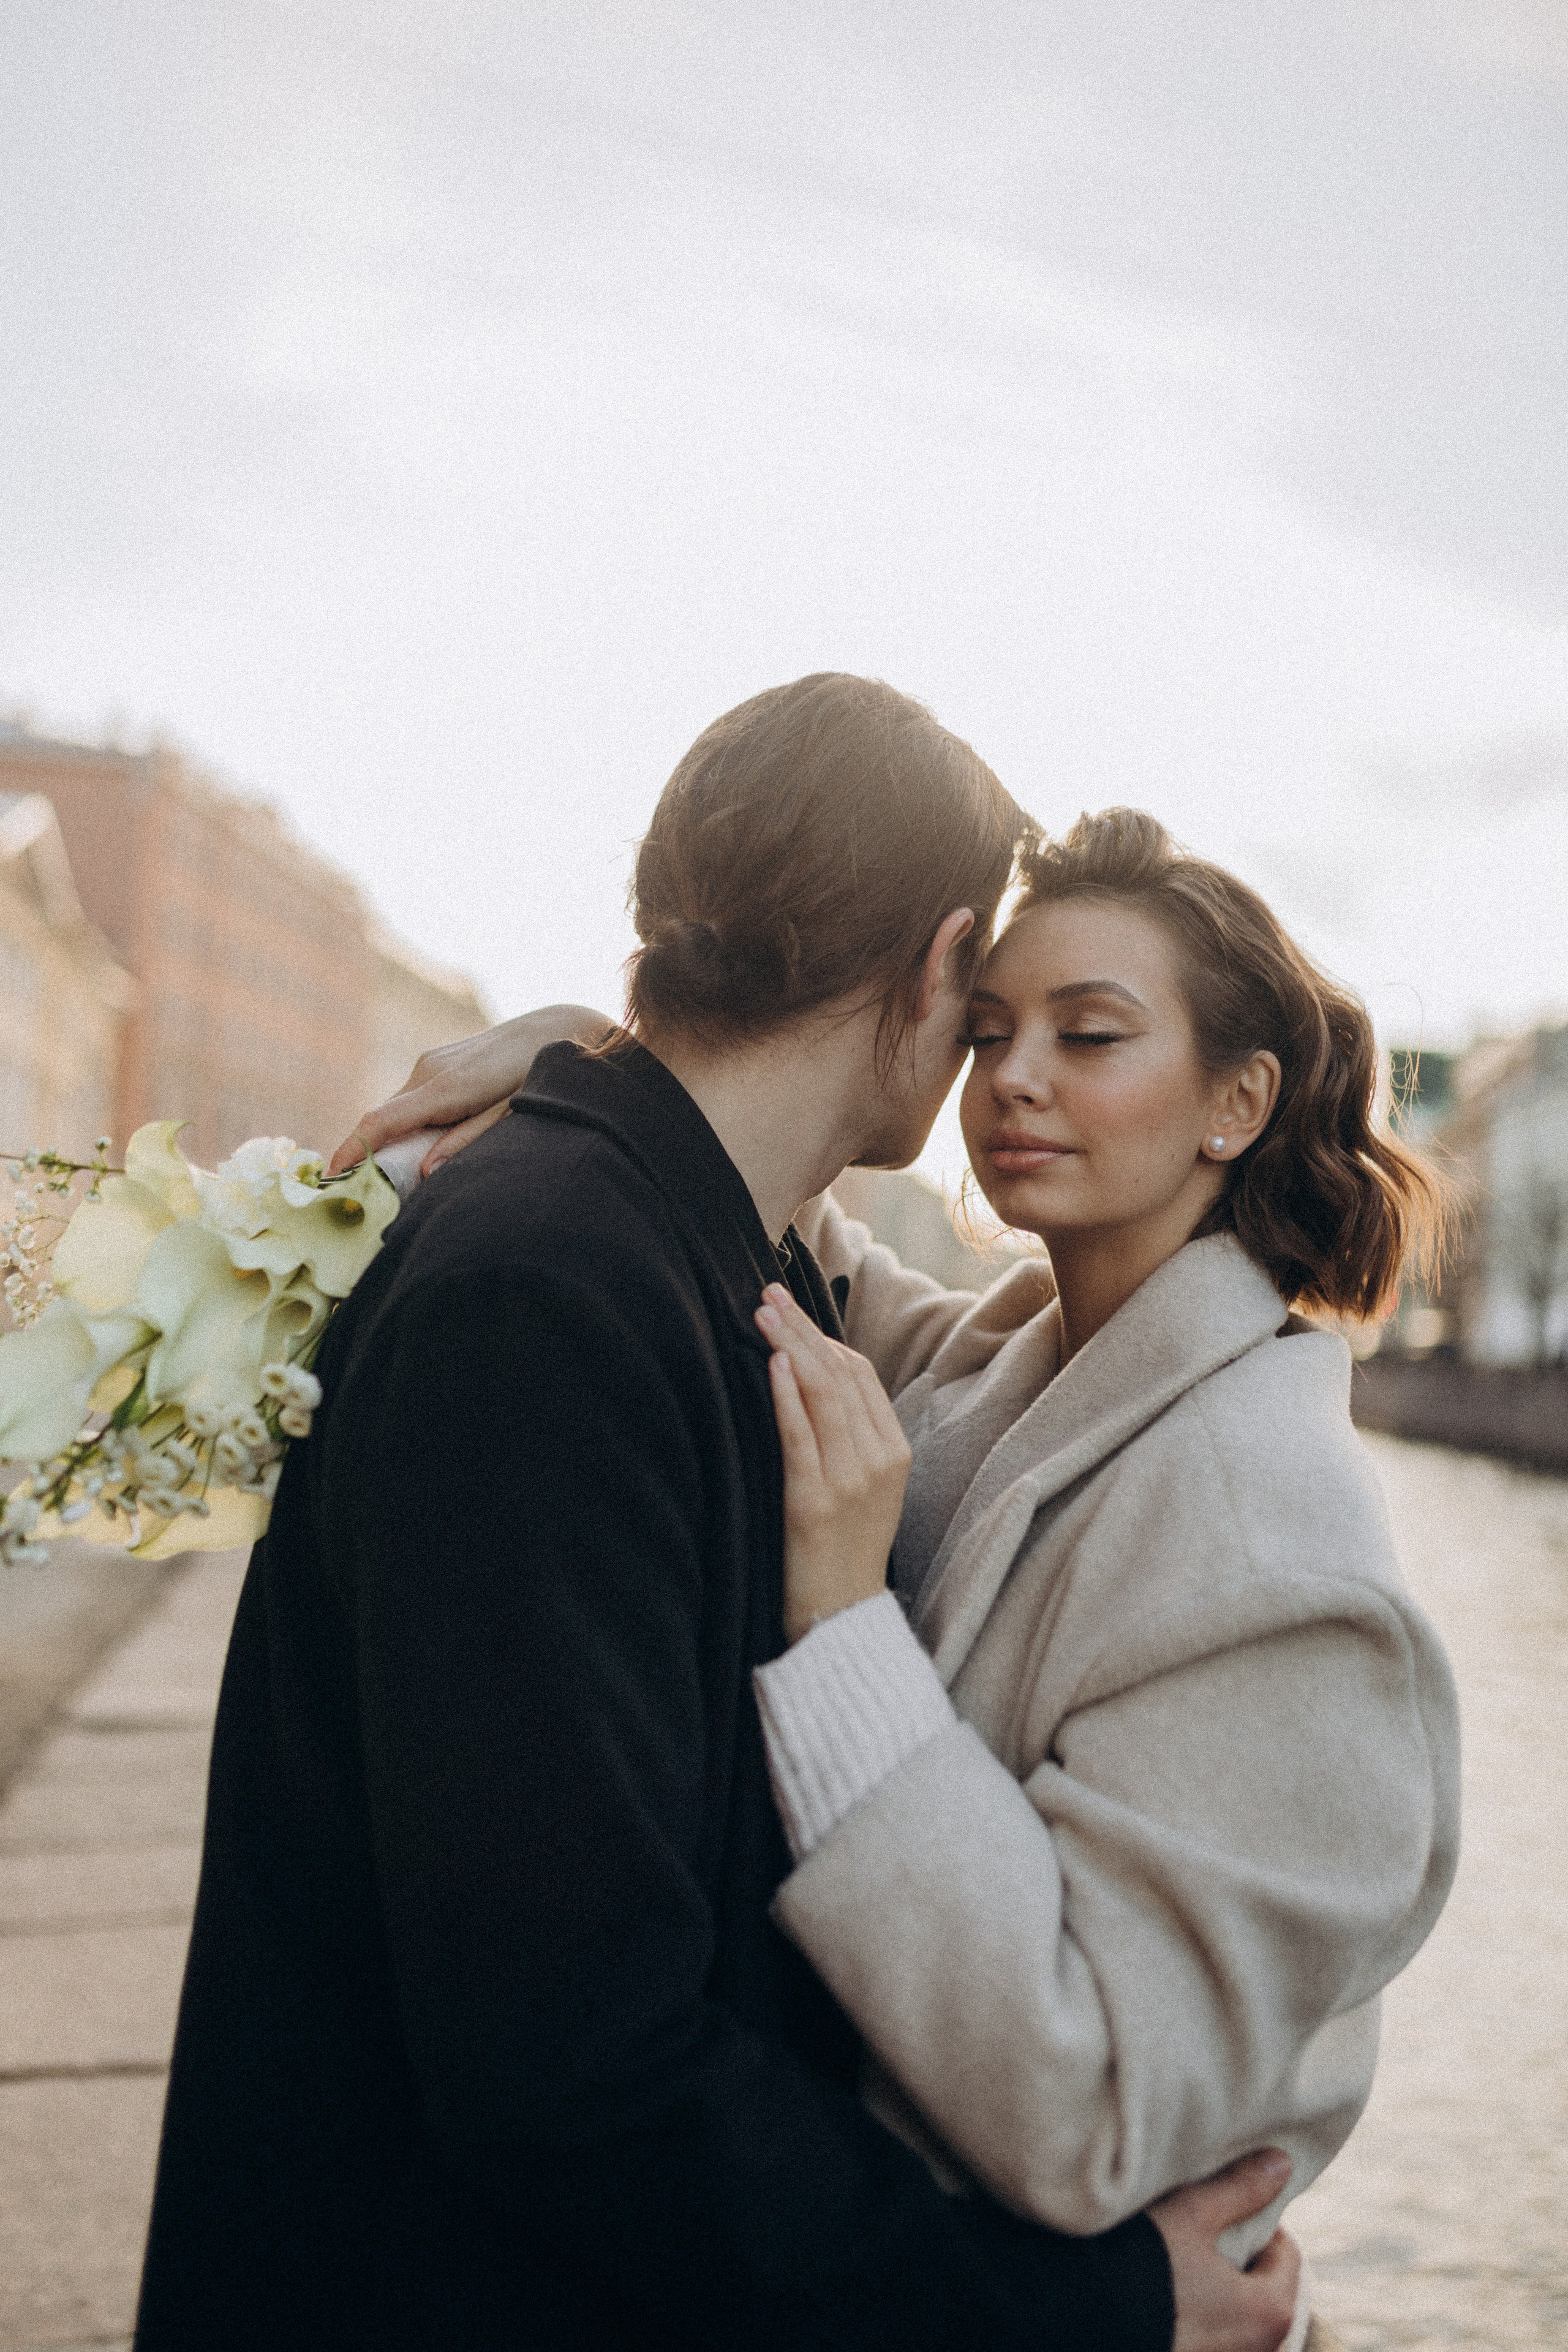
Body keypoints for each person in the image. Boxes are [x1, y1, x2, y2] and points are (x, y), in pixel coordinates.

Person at [134, 679, 1299, 2352]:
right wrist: (1081, 2309)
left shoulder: (666, 1246)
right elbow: (570, 2061)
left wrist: (580, 1047)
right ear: (936, 962)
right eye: (983, 1005)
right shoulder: (550, 1292)